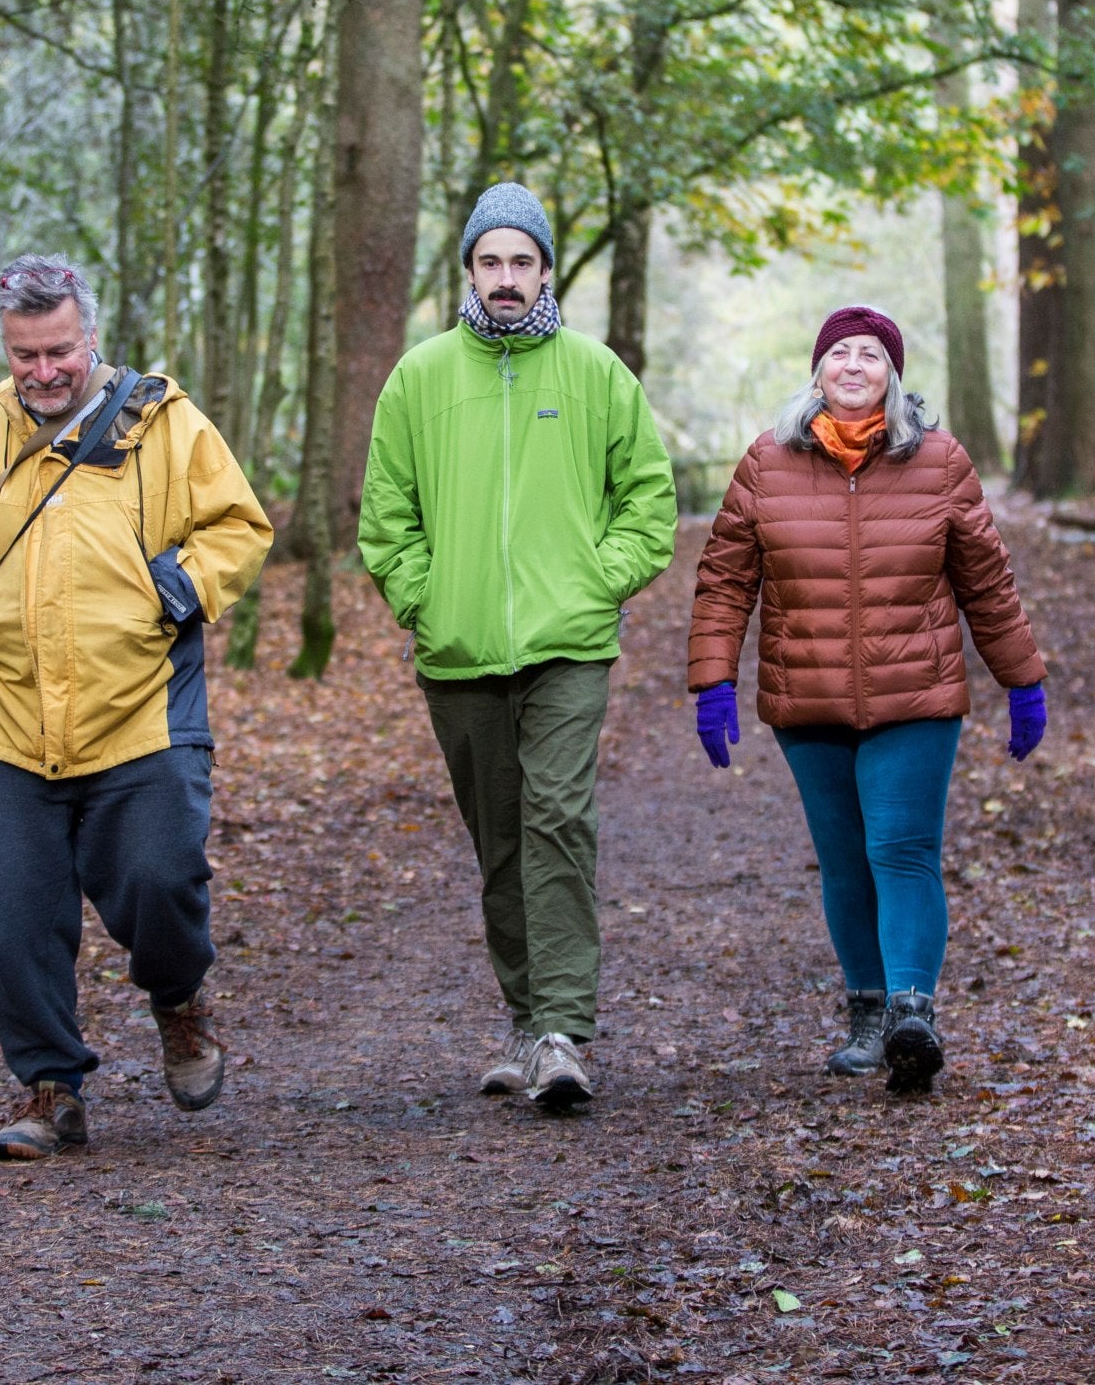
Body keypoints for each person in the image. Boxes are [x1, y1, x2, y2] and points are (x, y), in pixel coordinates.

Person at [0, 253, 275, 1158]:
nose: (43, 372)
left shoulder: (162, 422)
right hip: (4, 720)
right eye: (24, 355)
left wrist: (177, 588)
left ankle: (179, 1002)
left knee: (160, 883)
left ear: (89, 335)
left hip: (141, 711)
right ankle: (48, 1088)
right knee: (13, 916)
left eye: (58, 350)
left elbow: (239, 524)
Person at [357, 183, 678, 1111]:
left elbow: (647, 501)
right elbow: (387, 516)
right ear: (469, 271)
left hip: (568, 645)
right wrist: (426, 599)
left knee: (557, 822)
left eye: (522, 262)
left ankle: (563, 1032)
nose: (506, 279)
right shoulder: (420, 377)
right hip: (458, 652)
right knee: (498, 839)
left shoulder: (594, 372)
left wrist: (593, 580)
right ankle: (525, 1020)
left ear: (545, 270)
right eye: (490, 262)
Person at [685, 305, 1049, 1096]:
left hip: (915, 694)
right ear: (816, 372)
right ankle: (868, 1013)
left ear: (894, 377)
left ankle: (912, 1013)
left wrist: (1022, 678)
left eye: (872, 356)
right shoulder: (766, 464)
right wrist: (712, 679)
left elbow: (986, 581)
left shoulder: (940, 462)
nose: (854, 365)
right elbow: (724, 581)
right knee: (846, 859)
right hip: (808, 698)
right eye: (840, 353)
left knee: (901, 849)